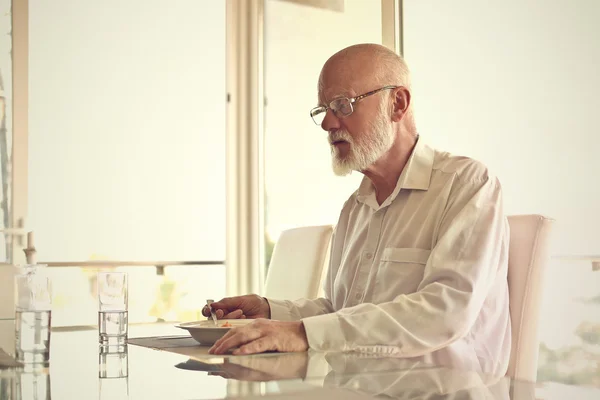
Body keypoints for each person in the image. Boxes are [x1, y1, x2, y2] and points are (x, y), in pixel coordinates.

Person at [204, 43, 511, 376]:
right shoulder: (356, 206)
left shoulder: (466, 184)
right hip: (358, 387)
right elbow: (340, 310)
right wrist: (269, 310)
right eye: (323, 109)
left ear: (398, 103)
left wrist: (303, 333)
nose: (327, 124)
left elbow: (445, 311)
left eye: (342, 105)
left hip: (444, 389)